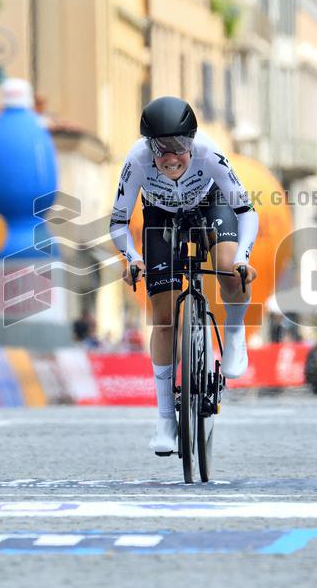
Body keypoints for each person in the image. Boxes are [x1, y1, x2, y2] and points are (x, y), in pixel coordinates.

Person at [109, 96, 259, 455]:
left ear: (192, 142)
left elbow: (246, 211)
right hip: (160, 214)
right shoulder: (136, 161)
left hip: (210, 204)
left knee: (228, 267)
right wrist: (133, 258)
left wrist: (243, 258)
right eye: (161, 148)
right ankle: (165, 419)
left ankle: (234, 333)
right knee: (163, 318)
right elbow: (118, 223)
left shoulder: (209, 153)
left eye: (179, 146)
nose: (171, 157)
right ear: (149, 147)